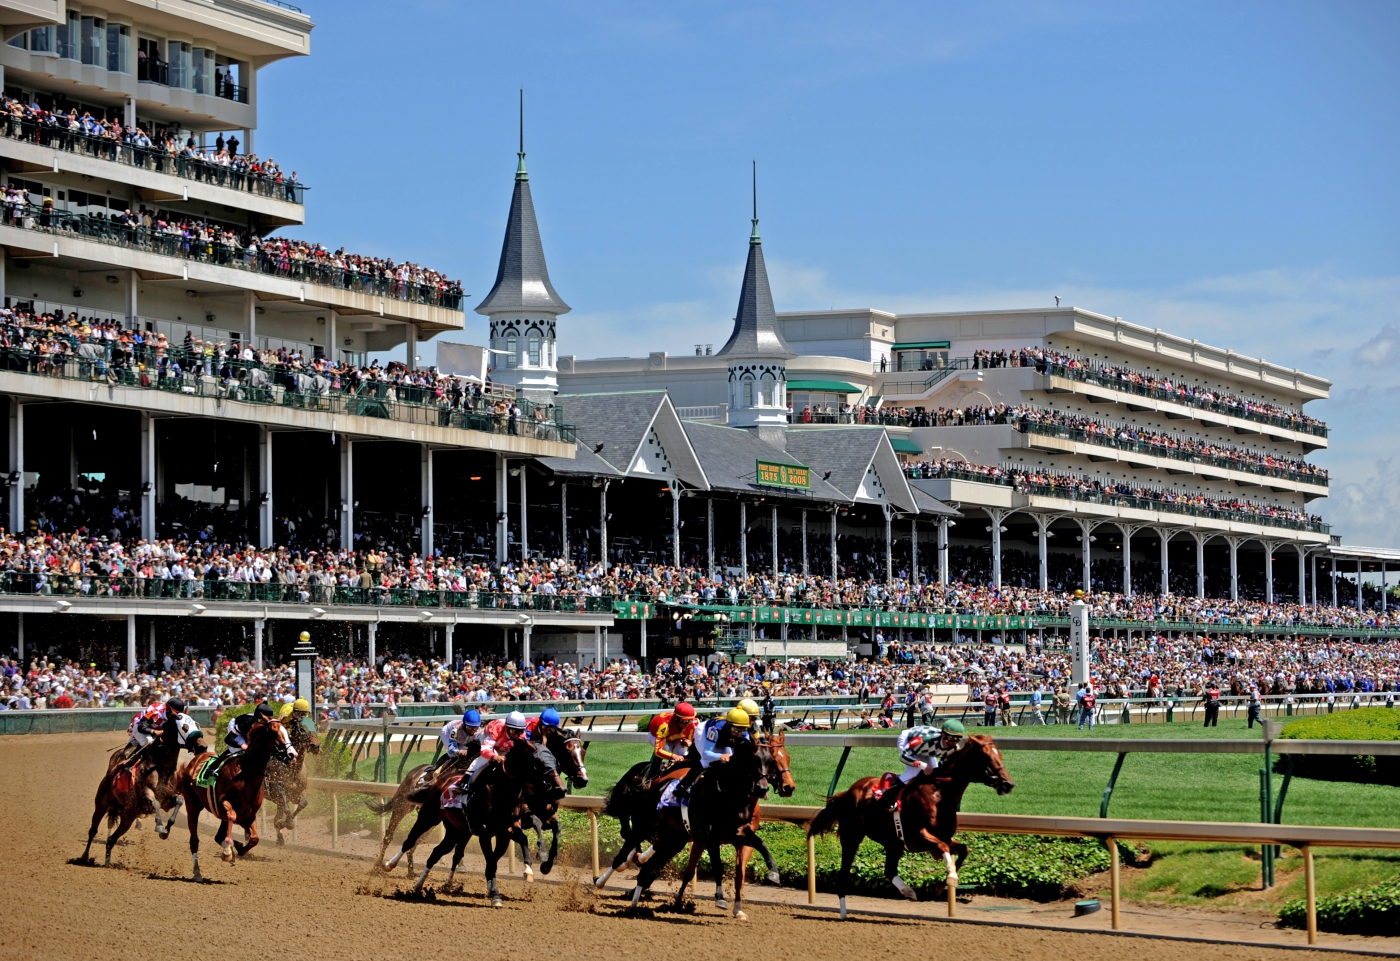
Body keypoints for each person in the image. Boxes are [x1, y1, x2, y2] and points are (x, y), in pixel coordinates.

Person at [679, 707, 752, 792]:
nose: (739, 733)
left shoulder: (745, 734)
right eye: (735, 729)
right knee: (706, 761)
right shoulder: (715, 729)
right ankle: (682, 786)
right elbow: (706, 753)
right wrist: (720, 756)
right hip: (704, 733)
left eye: (742, 730)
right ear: (728, 725)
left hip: (725, 738)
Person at [462, 710, 529, 790]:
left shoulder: (522, 736)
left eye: (520, 731)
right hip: (489, 738)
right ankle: (464, 781)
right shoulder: (497, 728)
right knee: (485, 759)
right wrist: (495, 757)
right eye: (513, 731)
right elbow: (485, 751)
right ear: (506, 728)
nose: (517, 735)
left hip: (504, 744)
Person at [895, 718, 966, 783]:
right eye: (951, 738)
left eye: (958, 739)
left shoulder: (954, 748)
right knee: (914, 773)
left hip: (926, 748)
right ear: (943, 735)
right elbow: (903, 757)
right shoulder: (924, 740)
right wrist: (923, 766)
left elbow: (943, 767)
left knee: (933, 773)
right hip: (908, 740)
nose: (954, 742)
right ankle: (887, 791)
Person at [424, 708, 482, 783]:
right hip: (447, 734)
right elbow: (452, 748)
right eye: (469, 727)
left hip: (462, 738)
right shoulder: (456, 729)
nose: (472, 731)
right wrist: (460, 751)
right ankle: (434, 770)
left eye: (475, 728)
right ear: (464, 724)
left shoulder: (478, 732)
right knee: (453, 755)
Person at [646, 701, 697, 780]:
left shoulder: (691, 725)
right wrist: (673, 756)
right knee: (665, 748)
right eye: (684, 721)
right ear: (676, 718)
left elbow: (686, 742)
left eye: (690, 720)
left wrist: (686, 742)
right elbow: (658, 750)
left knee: (684, 753)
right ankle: (651, 777)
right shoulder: (664, 726)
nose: (687, 724)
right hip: (655, 735)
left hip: (675, 738)